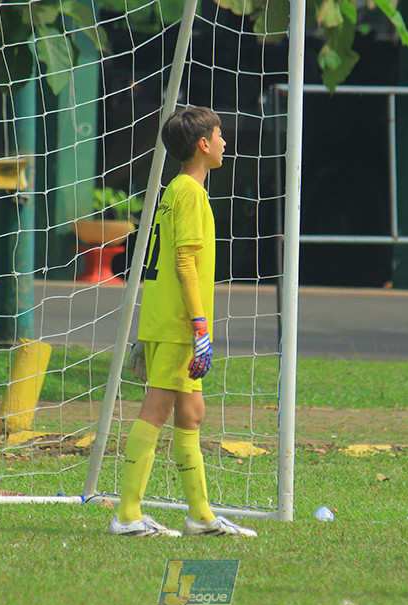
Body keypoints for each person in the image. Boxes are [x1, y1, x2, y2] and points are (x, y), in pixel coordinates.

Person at [109, 106, 257, 538]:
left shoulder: (173, 189)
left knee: (192, 414)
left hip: (163, 320)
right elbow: (184, 262)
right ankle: (127, 514)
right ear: (204, 144)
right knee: (156, 411)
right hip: (178, 325)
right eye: (220, 135)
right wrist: (199, 327)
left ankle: (201, 517)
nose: (225, 142)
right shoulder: (190, 192)